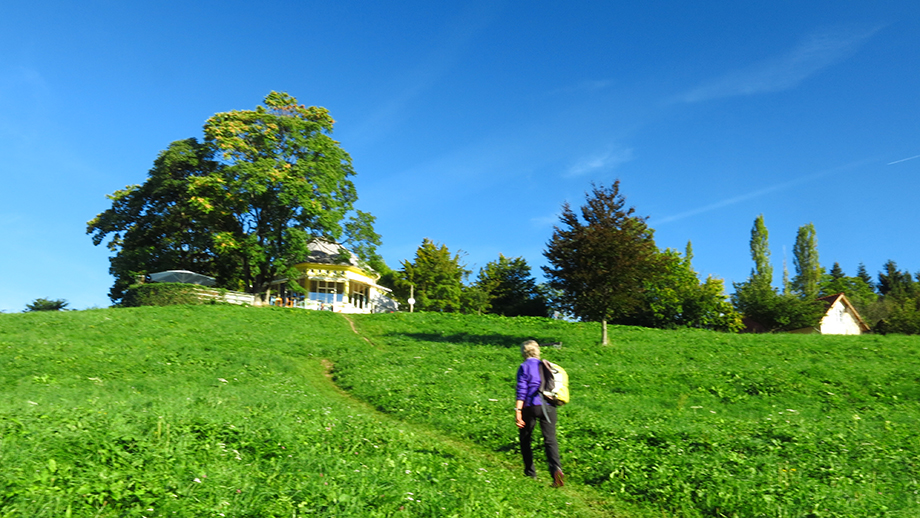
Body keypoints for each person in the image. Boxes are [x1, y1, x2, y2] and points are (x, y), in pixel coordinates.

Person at [515, 339, 564, 487]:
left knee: (525, 438)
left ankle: (530, 472)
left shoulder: (524, 367)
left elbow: (522, 390)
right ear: (537, 351)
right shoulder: (546, 365)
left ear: (523, 352)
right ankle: (556, 471)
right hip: (549, 405)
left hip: (531, 406)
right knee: (550, 439)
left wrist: (518, 410)